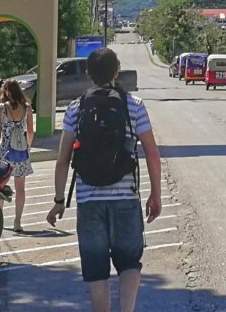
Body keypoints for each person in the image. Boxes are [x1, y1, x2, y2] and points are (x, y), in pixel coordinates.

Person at [48, 48, 161, 312]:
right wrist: (155, 194)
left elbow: (62, 159)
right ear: (116, 71)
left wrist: (58, 200)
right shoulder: (134, 105)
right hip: (125, 199)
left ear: (89, 74)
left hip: (89, 201)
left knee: (96, 270)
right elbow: (152, 155)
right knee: (130, 264)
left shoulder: (75, 109)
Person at [0, 78, 35, 231]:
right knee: (20, 188)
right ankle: (17, 222)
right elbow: (30, 131)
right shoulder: (27, 108)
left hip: (5, 151)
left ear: (5, 91)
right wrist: (27, 148)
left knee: (0, 186)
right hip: (21, 151)